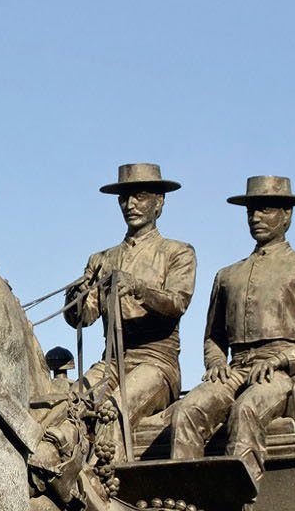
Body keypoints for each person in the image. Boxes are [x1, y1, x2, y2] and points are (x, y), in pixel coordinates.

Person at [170, 175, 295, 478]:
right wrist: (216, 362)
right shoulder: (228, 275)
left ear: (287, 215)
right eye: (251, 211)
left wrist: (281, 361)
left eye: (266, 210)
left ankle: (240, 503)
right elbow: (214, 336)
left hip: (282, 376)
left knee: (246, 410)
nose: (256, 218)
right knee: (187, 410)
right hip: (235, 370)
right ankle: (186, 503)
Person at [63, 162, 196, 430]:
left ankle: (106, 471)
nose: (130, 205)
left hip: (157, 365)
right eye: (125, 198)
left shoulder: (178, 253)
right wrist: (74, 300)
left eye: (140, 197)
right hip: (111, 364)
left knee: (114, 410)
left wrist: (138, 288)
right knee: (69, 406)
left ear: (159, 202)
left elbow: (177, 303)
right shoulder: (101, 259)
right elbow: (85, 316)